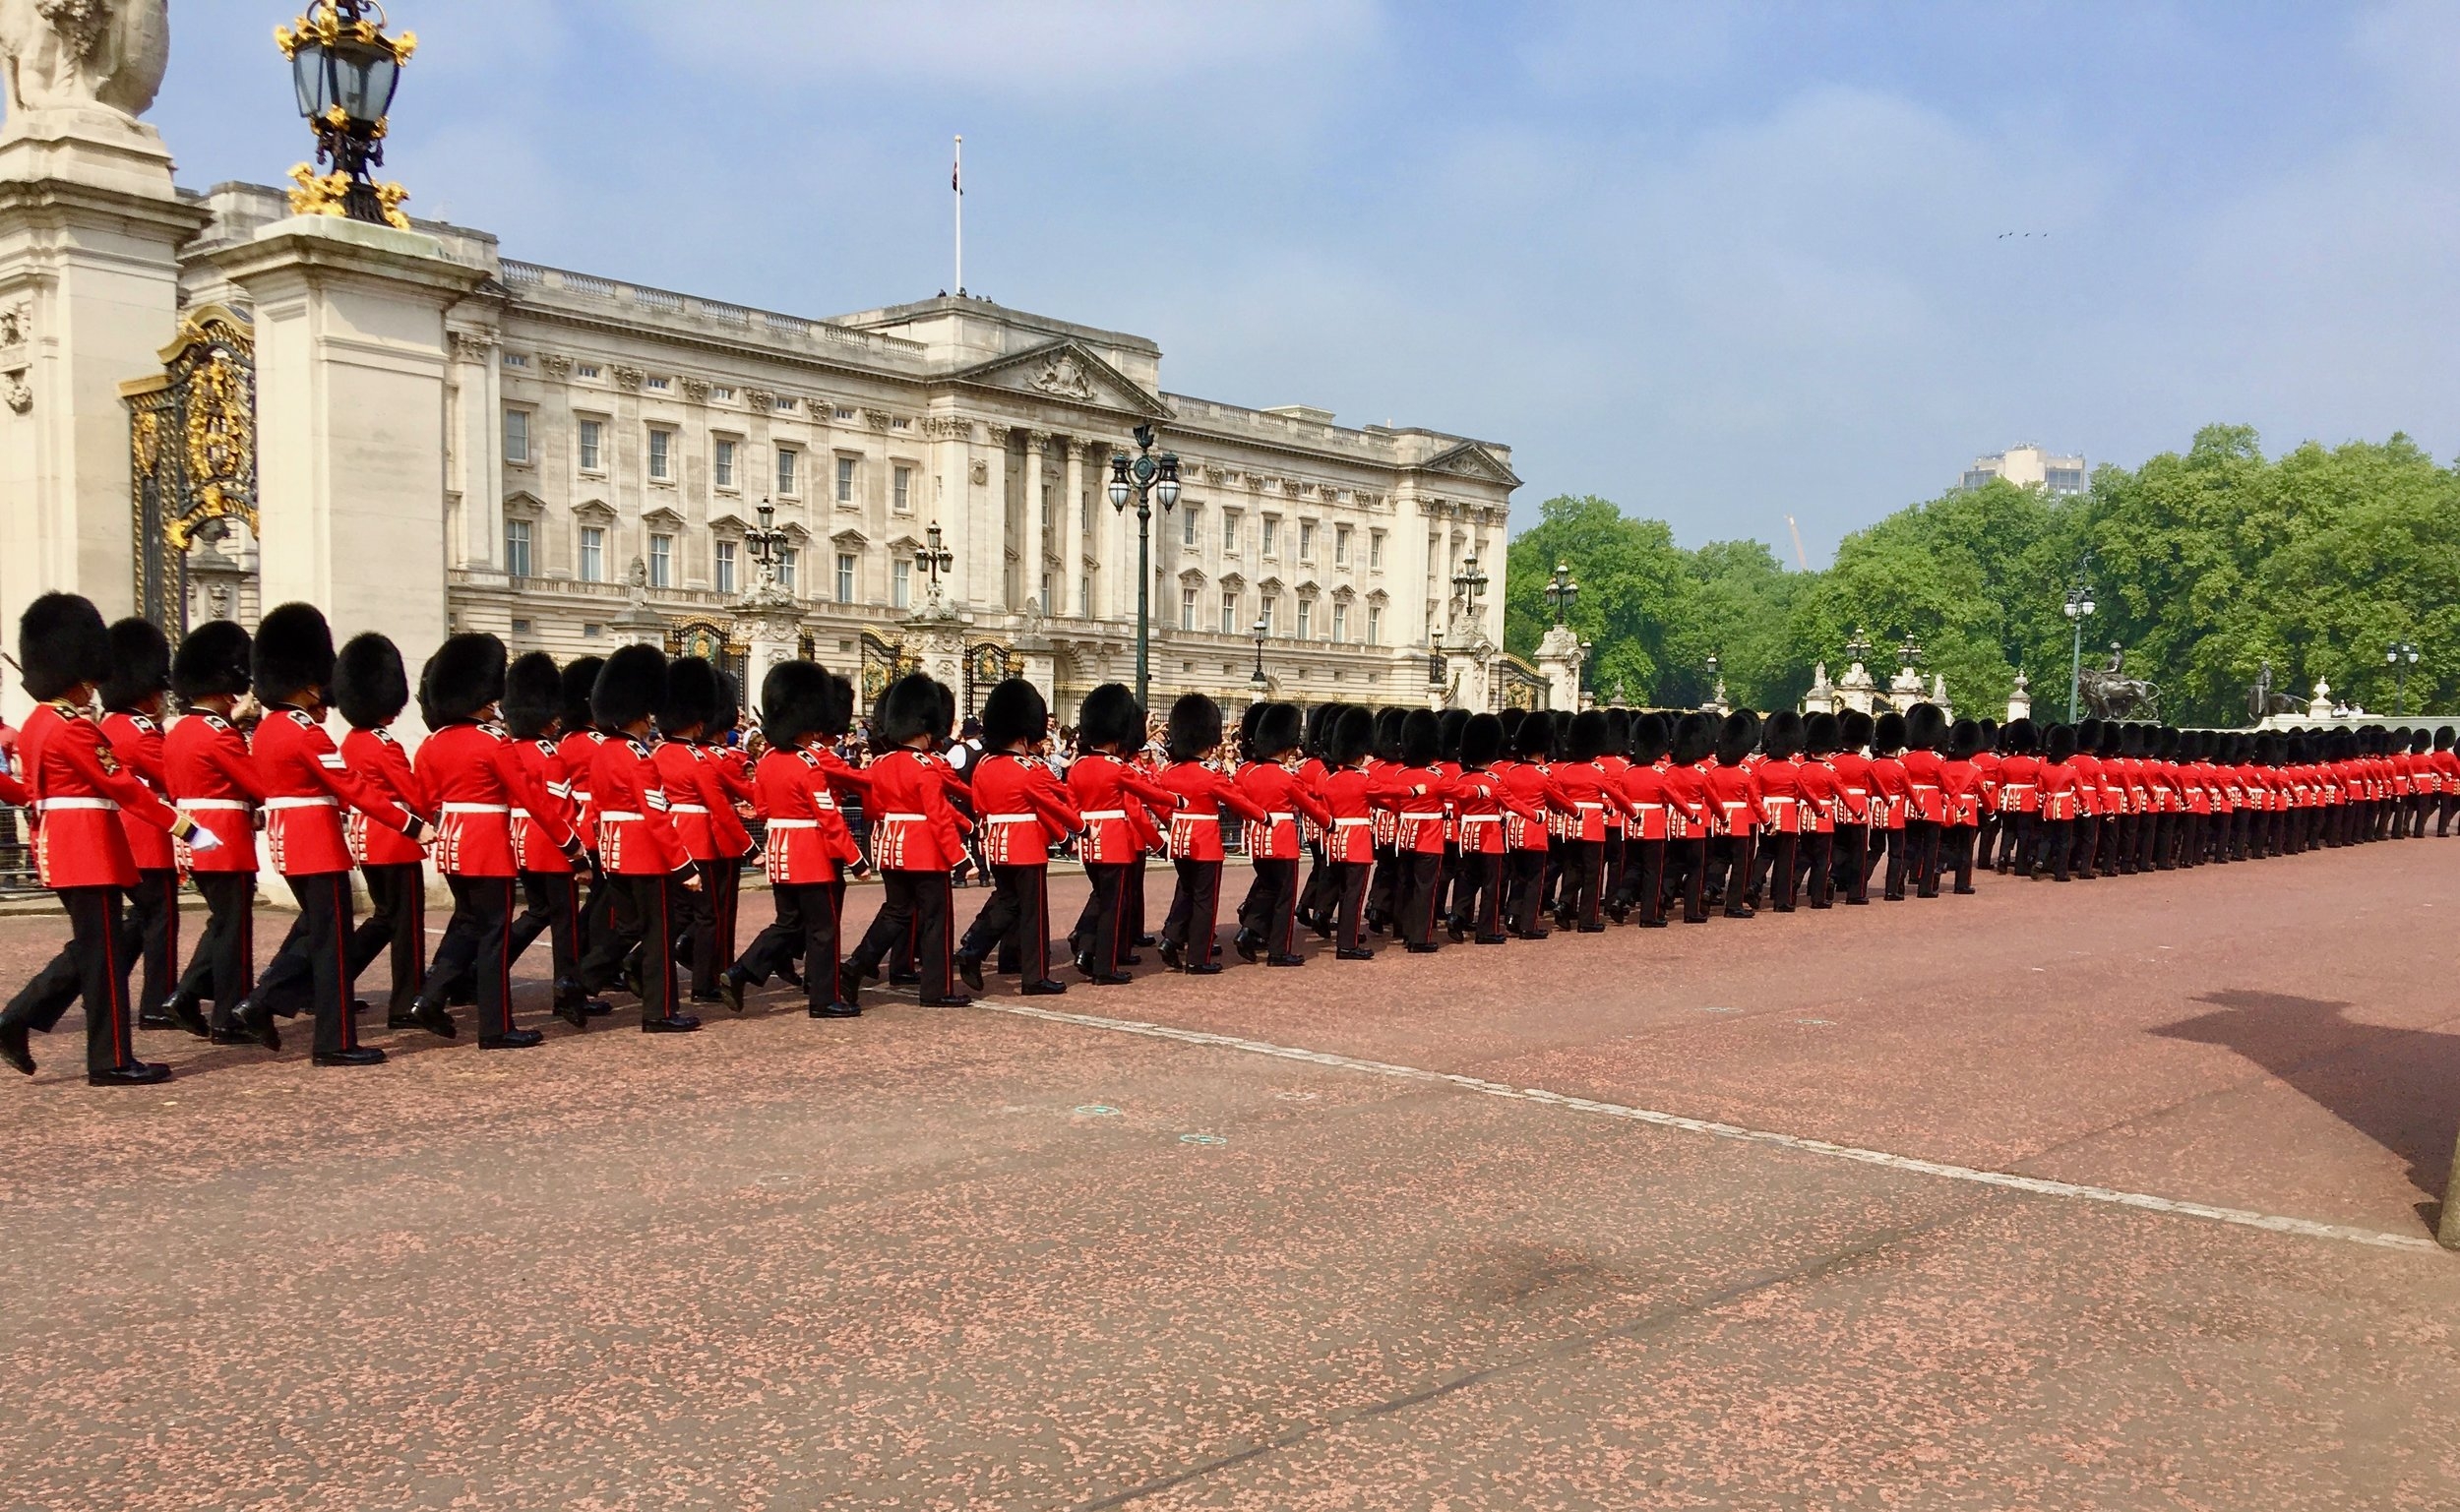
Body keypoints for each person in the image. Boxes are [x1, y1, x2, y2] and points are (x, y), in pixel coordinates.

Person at [0, 593, 220, 1084]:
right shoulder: (74, 730)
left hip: (62, 844)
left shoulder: (38, 724)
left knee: (93, 948)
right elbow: (125, 788)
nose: (95, 693)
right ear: (80, 680)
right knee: (101, 958)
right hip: (88, 848)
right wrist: (186, 828)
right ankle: (110, 1058)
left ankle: (17, 1018)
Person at [239, 605, 430, 1066]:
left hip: (288, 841)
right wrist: (411, 825)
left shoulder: (267, 729)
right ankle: (332, 1040)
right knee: (331, 944)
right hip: (316, 843)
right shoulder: (307, 733)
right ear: (307, 684)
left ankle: (263, 1000)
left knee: (317, 936)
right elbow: (353, 788)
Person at [408, 634, 583, 1049]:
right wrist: (569, 843)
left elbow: (423, 800)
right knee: (493, 937)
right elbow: (533, 799)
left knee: (466, 925)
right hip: (486, 847)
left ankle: (429, 997)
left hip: (451, 844)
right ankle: (495, 1026)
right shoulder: (492, 742)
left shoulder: (432, 743)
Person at [726, 662, 866, 1016]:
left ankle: (742, 970)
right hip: (810, 855)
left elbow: (760, 807)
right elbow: (830, 818)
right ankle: (823, 999)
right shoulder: (808, 764)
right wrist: (856, 859)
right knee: (822, 929)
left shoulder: (769, 760)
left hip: (779, 851)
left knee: (788, 922)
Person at [579, 643, 705, 1032]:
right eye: (647, 714)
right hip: (644, 855)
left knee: (628, 929)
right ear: (638, 714)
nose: (651, 721)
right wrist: (684, 866)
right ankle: (659, 1012)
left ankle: (578, 980)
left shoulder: (602, 752)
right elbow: (656, 816)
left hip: (614, 853)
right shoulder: (637, 756)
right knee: (658, 936)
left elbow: (596, 806)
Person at [160, 619, 266, 1040]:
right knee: (233, 930)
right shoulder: (220, 733)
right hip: (225, 837)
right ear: (224, 691)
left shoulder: (178, 730)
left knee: (221, 923)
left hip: (193, 835)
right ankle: (225, 1017)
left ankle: (185, 996)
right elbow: (257, 784)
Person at [840, 673, 971, 1006]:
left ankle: (856, 965)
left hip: (890, 846)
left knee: (895, 912)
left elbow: (872, 809)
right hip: (924, 849)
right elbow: (938, 816)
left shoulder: (881, 762)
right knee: (935, 919)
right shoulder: (924, 767)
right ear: (924, 729)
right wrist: (960, 858)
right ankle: (936, 989)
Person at [493, 650, 604, 1030]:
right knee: (565, 925)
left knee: (536, 912)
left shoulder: (511, 749)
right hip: (551, 846)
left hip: (519, 841)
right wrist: (577, 855)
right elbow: (557, 811)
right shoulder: (547, 755)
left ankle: (484, 968)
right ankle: (568, 995)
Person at [330, 632, 434, 1033]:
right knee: (406, 926)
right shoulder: (383, 745)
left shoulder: (351, 741)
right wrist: (435, 816)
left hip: (365, 839)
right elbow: (409, 792)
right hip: (395, 841)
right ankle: (405, 1001)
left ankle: (332, 980)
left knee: (384, 918)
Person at [955, 678, 1080, 997]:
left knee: (1005, 901)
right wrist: (1080, 828)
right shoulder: (1026, 768)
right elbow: (1053, 802)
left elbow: (979, 804)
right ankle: (1034, 977)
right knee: (1032, 914)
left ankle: (973, 947)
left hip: (995, 841)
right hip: (1025, 844)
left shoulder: (984, 765)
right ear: (1024, 734)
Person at [98, 617, 183, 1031]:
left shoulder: (109, 725)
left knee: (137, 923)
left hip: (124, 838)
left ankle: (99, 981)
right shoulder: (140, 732)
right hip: (149, 837)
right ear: (147, 694)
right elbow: (172, 776)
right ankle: (156, 1002)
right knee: (161, 921)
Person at [1152, 693, 1265, 974]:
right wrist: (1265, 817)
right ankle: (1198, 958)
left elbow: (1157, 800)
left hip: (1179, 839)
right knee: (1205, 900)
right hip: (1204, 842)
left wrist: (1172, 821)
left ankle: (1172, 939)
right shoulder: (1208, 774)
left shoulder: (1170, 772)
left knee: (1187, 891)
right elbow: (1239, 802)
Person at [1068, 684, 1174, 983]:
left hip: (1089, 841)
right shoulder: (1116, 768)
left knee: (1101, 898)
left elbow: (1072, 805)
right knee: (1113, 907)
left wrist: (1079, 834)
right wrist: (1176, 804)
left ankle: (1086, 949)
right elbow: (1141, 799)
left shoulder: (1078, 767)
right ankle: (1105, 966)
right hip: (1115, 842)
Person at [1233, 701, 1330, 966]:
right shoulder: (1285, 777)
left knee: (1266, 889)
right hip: (1282, 841)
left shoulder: (1251, 774)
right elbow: (1309, 806)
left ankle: (1248, 931)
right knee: (1284, 898)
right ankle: (1279, 950)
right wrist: (1329, 823)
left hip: (1257, 840)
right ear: (1285, 748)